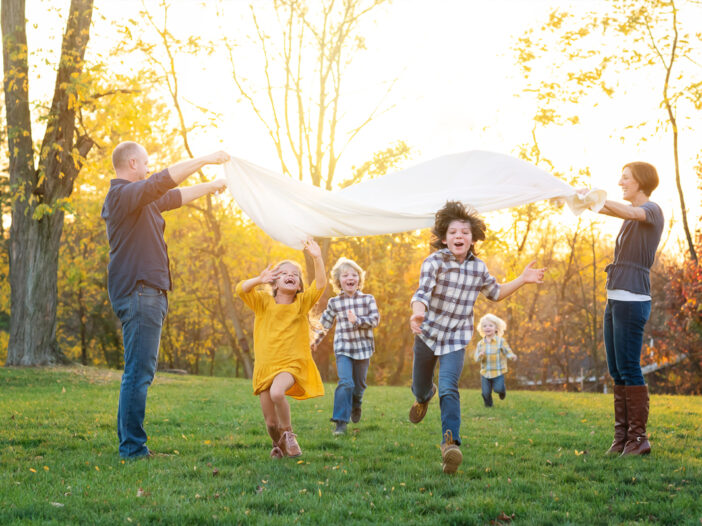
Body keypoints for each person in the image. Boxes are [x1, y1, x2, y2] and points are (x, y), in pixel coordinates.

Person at [102, 141, 230, 459]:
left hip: (147, 293)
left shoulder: (141, 201)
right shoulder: (121, 195)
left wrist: (213, 185)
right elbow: (163, 181)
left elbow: (174, 196)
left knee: (137, 371)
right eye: (145, 162)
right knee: (139, 373)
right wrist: (205, 159)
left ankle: (129, 444)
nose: (148, 166)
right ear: (132, 163)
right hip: (140, 292)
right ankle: (132, 449)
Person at [408, 200, 545, 474]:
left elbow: (496, 293)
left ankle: (450, 444)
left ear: (472, 239)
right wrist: (417, 313)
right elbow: (421, 293)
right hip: (427, 333)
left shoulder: (478, 268)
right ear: (444, 238)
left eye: (465, 232)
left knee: (449, 387)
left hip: (456, 338)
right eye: (453, 232)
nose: (459, 236)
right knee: (421, 387)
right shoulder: (433, 262)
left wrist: (522, 278)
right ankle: (424, 396)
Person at [595, 162, 663, 456]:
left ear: (641, 182)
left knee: (629, 368)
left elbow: (631, 211)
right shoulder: (629, 217)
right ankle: (622, 437)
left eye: (625, 178)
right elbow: (610, 210)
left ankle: (638, 439)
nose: (620, 182)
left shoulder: (651, 210)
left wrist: (595, 199)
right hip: (615, 298)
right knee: (616, 369)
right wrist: (576, 198)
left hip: (632, 299)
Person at [236, 240, 327, 459]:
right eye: (284, 273)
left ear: (298, 286)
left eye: (295, 275)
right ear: (275, 282)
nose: (290, 275)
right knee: (270, 422)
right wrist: (259, 279)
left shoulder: (301, 303)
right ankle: (279, 445)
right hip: (265, 367)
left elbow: (321, 284)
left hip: (290, 364)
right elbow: (240, 289)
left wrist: (317, 257)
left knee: (278, 393)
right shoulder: (263, 303)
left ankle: (289, 435)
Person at [311, 257, 380, 435]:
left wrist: (358, 321)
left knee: (359, 387)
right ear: (339, 281)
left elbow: (375, 320)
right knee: (345, 382)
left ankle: (356, 404)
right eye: (345, 275)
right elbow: (324, 324)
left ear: (359, 279)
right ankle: (340, 422)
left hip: (363, 349)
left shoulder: (368, 299)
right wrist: (314, 341)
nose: (350, 278)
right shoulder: (335, 302)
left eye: (354, 275)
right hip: (343, 349)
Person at [473, 313, 516, 408]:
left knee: (498, 389)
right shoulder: (480, 344)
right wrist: (480, 355)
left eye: (490, 325)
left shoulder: (501, 341)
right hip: (485, 372)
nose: (487, 328)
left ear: (496, 328)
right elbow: (476, 358)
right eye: (484, 326)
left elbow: (507, 350)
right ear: (481, 329)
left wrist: (511, 356)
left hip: (498, 371)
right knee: (485, 392)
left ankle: (502, 390)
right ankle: (488, 406)